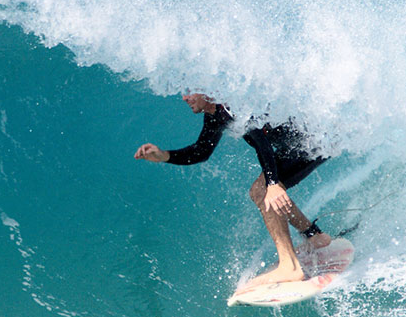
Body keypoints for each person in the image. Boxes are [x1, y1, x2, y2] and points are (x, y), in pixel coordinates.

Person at [134, 93, 331, 290]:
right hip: (303, 144)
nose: (185, 98)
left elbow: (260, 141)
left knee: (262, 190)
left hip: (312, 143)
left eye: (190, 91)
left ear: (205, 90)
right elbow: (202, 151)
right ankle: (314, 236)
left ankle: (290, 266)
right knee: (259, 191)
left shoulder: (233, 106)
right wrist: (165, 156)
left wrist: (272, 184)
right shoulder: (215, 113)